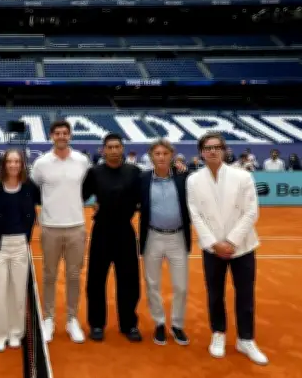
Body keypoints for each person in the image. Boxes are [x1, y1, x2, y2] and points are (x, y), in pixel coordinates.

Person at [187, 132, 269, 366]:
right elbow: (195, 214)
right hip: (212, 249)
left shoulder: (243, 176)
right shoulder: (193, 180)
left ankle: (246, 339)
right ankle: (218, 334)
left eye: (216, 147)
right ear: (201, 152)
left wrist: (231, 241)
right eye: (207, 148)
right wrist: (214, 243)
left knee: (245, 295)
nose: (212, 151)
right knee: (215, 294)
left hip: (242, 247)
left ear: (224, 151)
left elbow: (251, 211)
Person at [31, 120, 91, 344]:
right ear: (51, 136)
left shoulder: (82, 161)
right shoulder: (41, 163)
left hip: (76, 226)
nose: (62, 136)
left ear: (70, 136)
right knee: (49, 275)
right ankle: (48, 319)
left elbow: (85, 188)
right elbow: (35, 190)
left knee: (74, 276)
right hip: (50, 227)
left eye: (65, 133)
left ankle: (72, 319)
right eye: (58, 133)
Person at [81, 133, 142, 343]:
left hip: (125, 231)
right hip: (102, 231)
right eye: (110, 147)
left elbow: (144, 197)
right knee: (96, 279)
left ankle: (129, 324)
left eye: (117, 147)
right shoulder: (94, 172)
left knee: (129, 279)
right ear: (103, 150)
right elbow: (80, 195)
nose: (114, 150)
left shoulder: (134, 172)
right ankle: (97, 324)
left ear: (122, 149)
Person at [0, 149, 41, 352]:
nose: (14, 165)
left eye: (17, 161)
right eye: (10, 161)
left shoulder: (29, 186)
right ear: (4, 164)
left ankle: (16, 333)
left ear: (22, 164)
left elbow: (34, 211)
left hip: (20, 244)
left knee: (17, 291)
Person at [139, 138, 192, 346]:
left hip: (178, 237)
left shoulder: (184, 178)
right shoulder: (142, 179)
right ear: (151, 157)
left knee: (181, 286)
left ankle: (177, 325)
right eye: (157, 154)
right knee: (152, 284)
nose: (161, 157)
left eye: (165, 153)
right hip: (152, 236)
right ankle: (159, 322)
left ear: (172, 156)